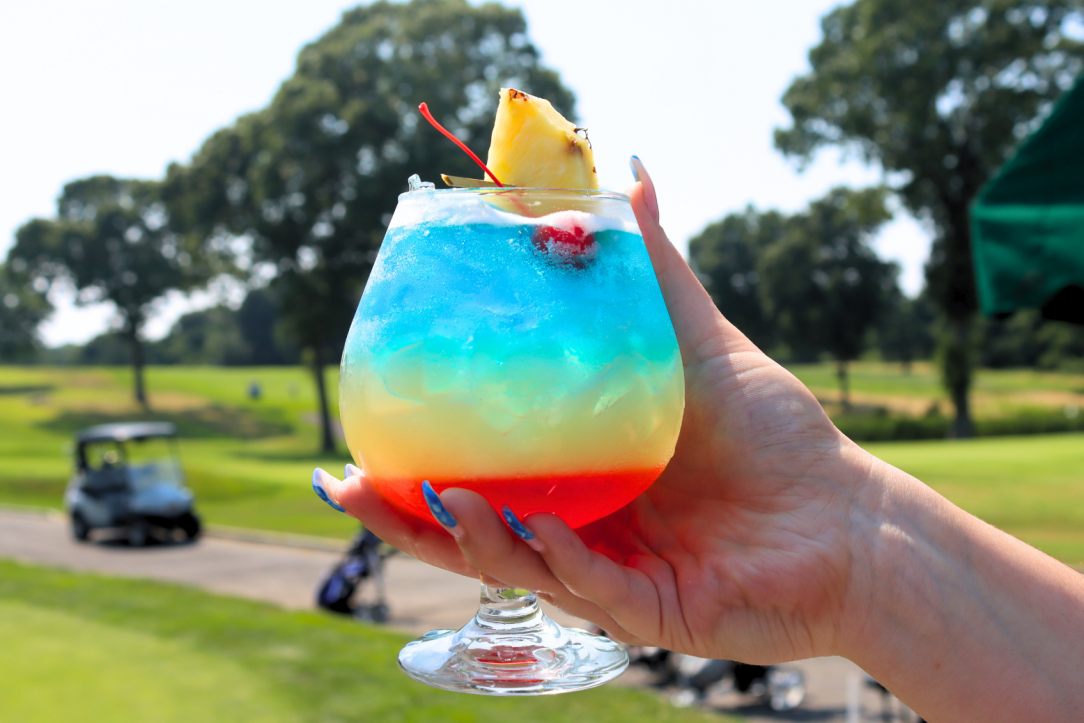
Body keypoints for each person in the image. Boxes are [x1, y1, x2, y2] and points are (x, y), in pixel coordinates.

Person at [313, 157, 1084, 722]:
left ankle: (509, 611)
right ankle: (509, 609)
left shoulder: (601, 235)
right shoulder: (429, 226)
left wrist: (852, 548)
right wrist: (857, 557)